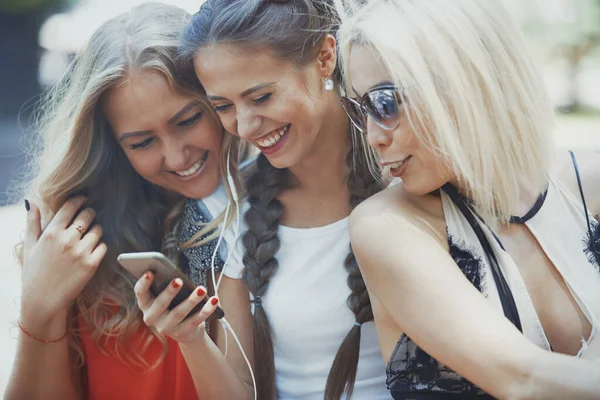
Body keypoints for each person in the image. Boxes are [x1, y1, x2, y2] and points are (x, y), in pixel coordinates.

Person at [337, 0, 600, 399]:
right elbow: (521, 380)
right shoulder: (388, 225)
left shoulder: (587, 186)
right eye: (362, 108)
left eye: (385, 103)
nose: (372, 135)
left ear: (466, 81)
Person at [135, 0, 391, 399]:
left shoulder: (404, 171)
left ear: (325, 57)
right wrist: (190, 339)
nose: (244, 125)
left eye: (261, 97)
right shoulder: (232, 208)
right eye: (222, 106)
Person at [5, 3, 247, 399]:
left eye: (188, 120)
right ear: (112, 146)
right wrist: (38, 305)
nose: (176, 156)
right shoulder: (79, 245)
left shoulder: (273, 202)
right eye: (142, 142)